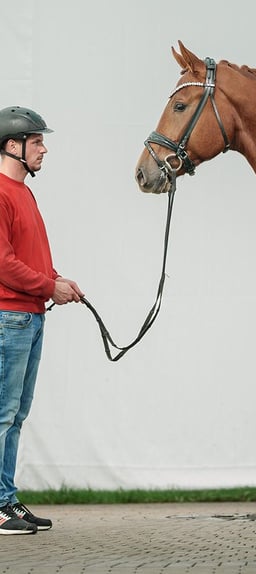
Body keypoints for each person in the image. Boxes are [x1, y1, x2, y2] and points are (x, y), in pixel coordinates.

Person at [0, 106, 83, 535]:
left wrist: (56, 279)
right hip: (8, 320)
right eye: (37, 142)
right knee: (2, 414)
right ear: (12, 145)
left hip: (28, 319)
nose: (44, 149)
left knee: (14, 416)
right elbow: (4, 265)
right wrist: (48, 288)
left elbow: (29, 259)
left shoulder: (24, 194)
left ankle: (6, 501)